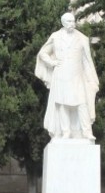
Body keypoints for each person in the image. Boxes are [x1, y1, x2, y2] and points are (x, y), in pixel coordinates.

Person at [35, 12, 99, 141]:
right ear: (63, 23)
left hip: (77, 76)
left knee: (82, 103)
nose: (72, 24)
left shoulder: (82, 38)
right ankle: (65, 132)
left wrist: (91, 78)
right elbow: (43, 53)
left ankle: (86, 132)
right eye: (69, 21)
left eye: (73, 21)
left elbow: (87, 60)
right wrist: (52, 63)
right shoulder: (56, 37)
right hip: (61, 75)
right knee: (62, 104)